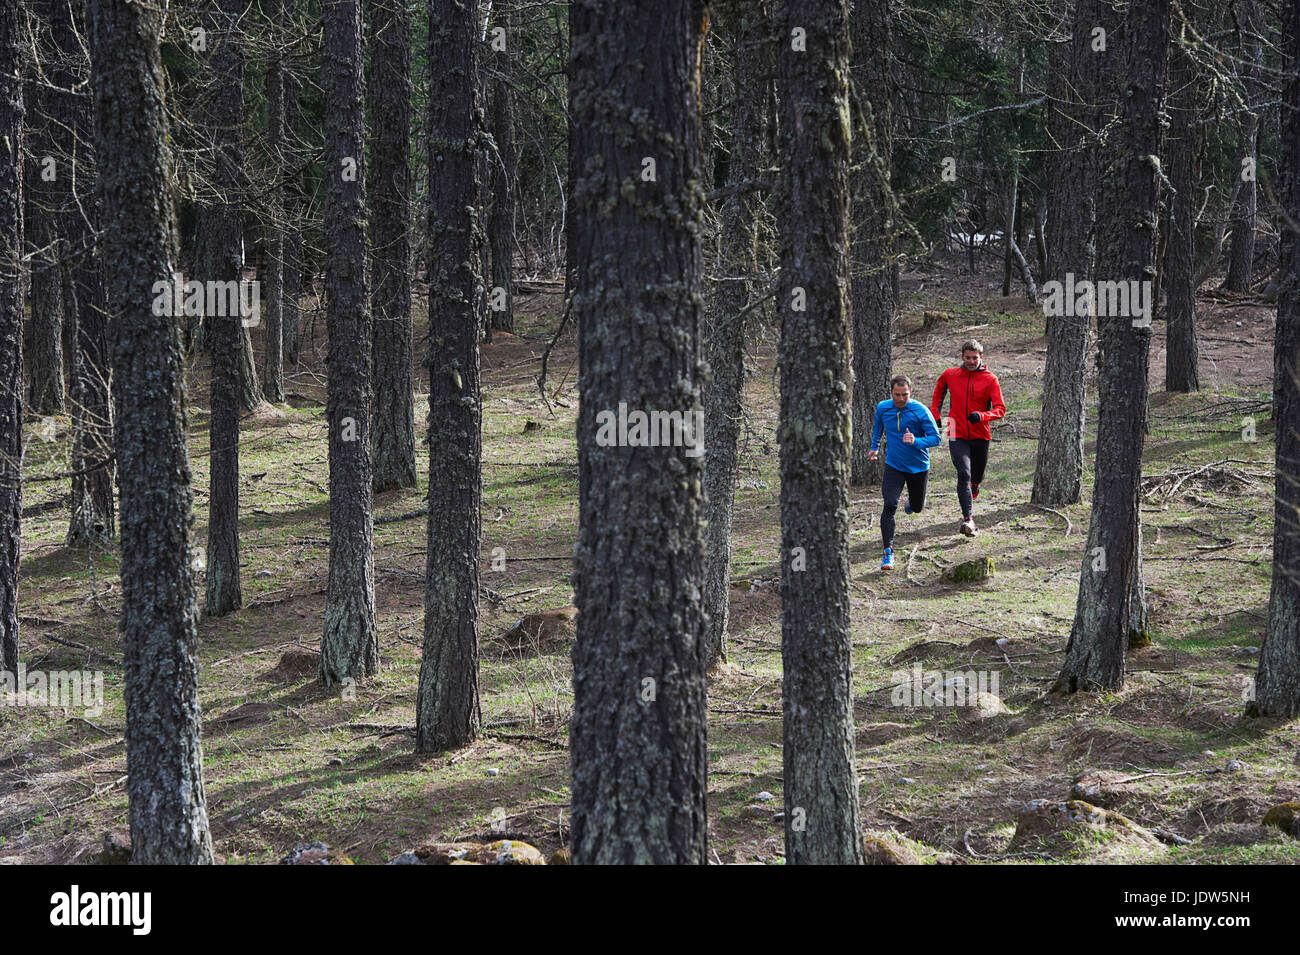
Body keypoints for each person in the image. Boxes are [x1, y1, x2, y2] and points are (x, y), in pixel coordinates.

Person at [930, 339, 1007, 537]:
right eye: (967, 358)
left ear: (981, 357)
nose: (971, 361)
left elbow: (1000, 409)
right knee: (963, 474)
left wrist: (982, 415)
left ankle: (975, 486)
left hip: (981, 431)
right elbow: (939, 391)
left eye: (975, 358)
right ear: (962, 357)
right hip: (955, 429)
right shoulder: (950, 375)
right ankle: (968, 520)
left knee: (975, 477)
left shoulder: (991, 379)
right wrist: (935, 415)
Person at [869, 375, 941, 571]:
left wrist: (916, 441)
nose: (901, 399)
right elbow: (878, 426)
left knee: (917, 507)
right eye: (897, 395)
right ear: (891, 393)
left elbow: (936, 438)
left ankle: (912, 504)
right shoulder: (883, 407)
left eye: (905, 395)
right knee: (890, 504)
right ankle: (887, 553)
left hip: (918, 466)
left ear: (911, 393)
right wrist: (874, 447)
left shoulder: (920, 411)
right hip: (894, 465)